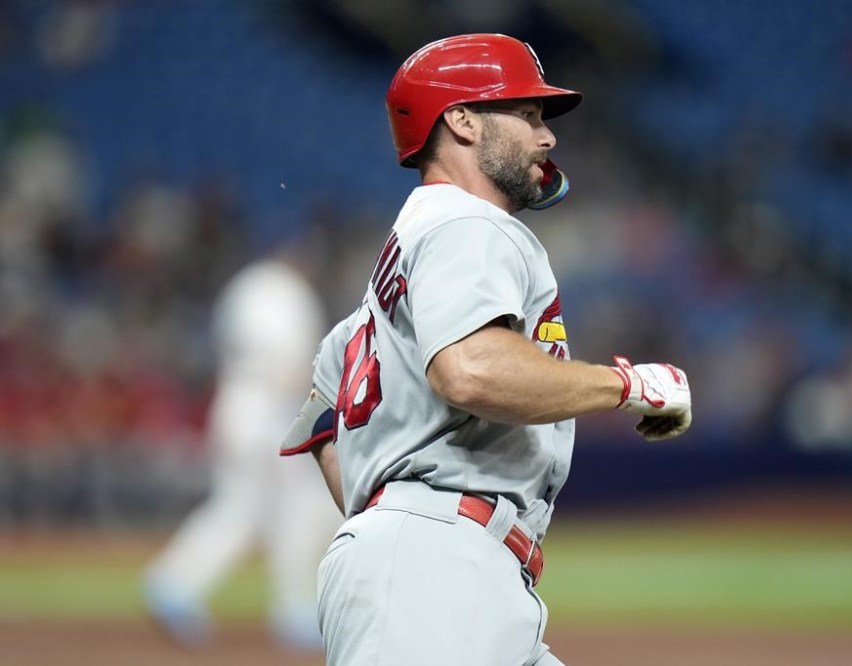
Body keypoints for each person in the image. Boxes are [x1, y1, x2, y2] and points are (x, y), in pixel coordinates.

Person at [280, 33, 693, 665]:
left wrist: (385, 519)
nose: (546, 136)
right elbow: (468, 370)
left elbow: (321, 423)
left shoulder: (394, 272)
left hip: (441, 568)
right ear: (462, 120)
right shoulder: (468, 223)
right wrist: (628, 386)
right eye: (526, 114)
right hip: (436, 571)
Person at [144, 244, 344, 651]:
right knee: (299, 509)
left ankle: (173, 583)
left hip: (235, 407)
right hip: (269, 416)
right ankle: (295, 609)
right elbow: (291, 368)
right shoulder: (287, 292)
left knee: (241, 508)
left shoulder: (244, 287)